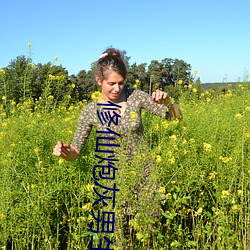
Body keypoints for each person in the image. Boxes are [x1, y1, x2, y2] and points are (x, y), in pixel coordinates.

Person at [53, 47, 182, 247]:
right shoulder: (91, 111)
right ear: (99, 81)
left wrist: (169, 102)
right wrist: (65, 152)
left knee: (150, 235)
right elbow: (76, 151)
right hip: (112, 182)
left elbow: (175, 118)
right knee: (119, 238)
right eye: (111, 83)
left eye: (121, 83)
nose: (117, 88)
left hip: (145, 176)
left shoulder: (135, 97)